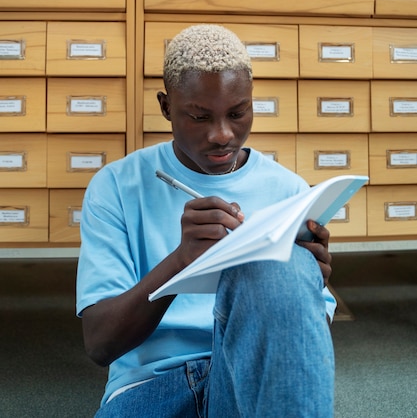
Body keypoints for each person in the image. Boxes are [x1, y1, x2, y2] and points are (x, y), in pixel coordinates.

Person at [76, 24, 336, 418]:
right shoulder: (115, 186)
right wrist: (181, 261)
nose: (222, 135)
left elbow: (301, 359)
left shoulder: (289, 190)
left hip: (245, 378)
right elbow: (99, 345)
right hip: (149, 387)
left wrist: (305, 284)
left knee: (290, 271)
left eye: (238, 113)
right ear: (166, 107)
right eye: (199, 117)